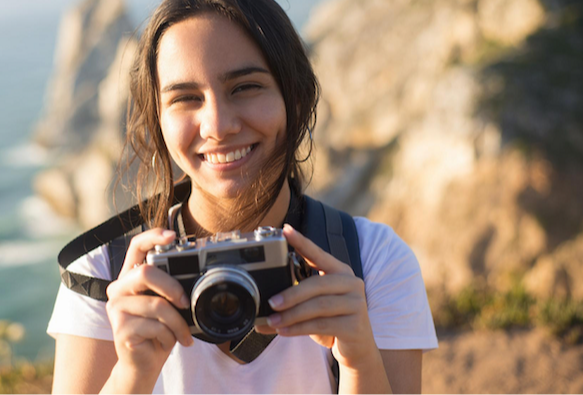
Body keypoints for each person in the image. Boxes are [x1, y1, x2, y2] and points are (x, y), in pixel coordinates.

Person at [47, 0, 438, 394]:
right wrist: (131, 375)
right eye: (185, 98)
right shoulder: (103, 276)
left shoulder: (372, 262)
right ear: (158, 122)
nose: (217, 125)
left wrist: (358, 363)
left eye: (245, 87)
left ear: (296, 97)